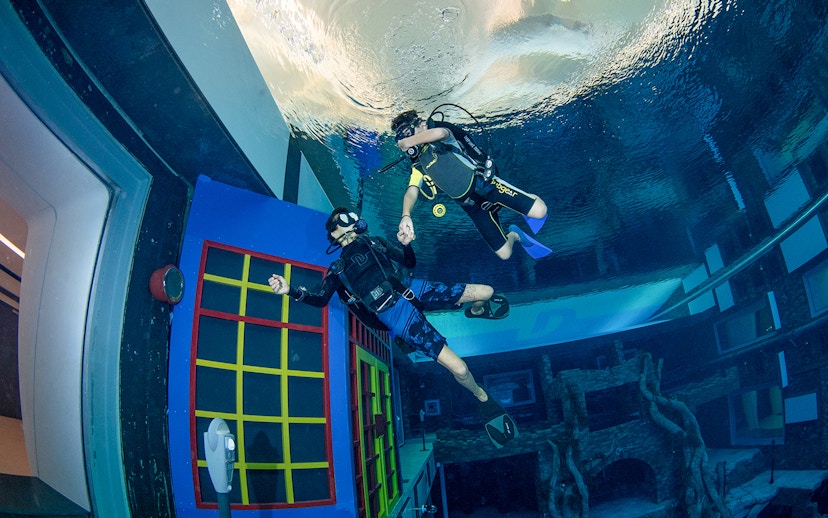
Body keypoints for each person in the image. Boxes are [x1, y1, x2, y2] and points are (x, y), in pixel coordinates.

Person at [268, 207, 509, 404]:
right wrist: (290, 290)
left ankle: (475, 311)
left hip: (413, 287)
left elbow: (409, 262)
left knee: (486, 292)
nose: (352, 219)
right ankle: (480, 395)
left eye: (351, 216)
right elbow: (320, 298)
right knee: (460, 370)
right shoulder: (338, 268)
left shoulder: (375, 242)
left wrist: (406, 244)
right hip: (398, 317)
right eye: (343, 219)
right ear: (333, 233)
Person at [391, 109, 550, 260]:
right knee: (505, 254)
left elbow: (439, 133)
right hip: (473, 208)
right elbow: (412, 191)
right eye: (400, 137)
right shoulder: (419, 164)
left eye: (407, 132)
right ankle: (515, 234)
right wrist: (406, 216)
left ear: (420, 124)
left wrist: (406, 142)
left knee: (540, 211)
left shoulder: (442, 136)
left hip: (488, 187)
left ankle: (528, 200)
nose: (405, 140)